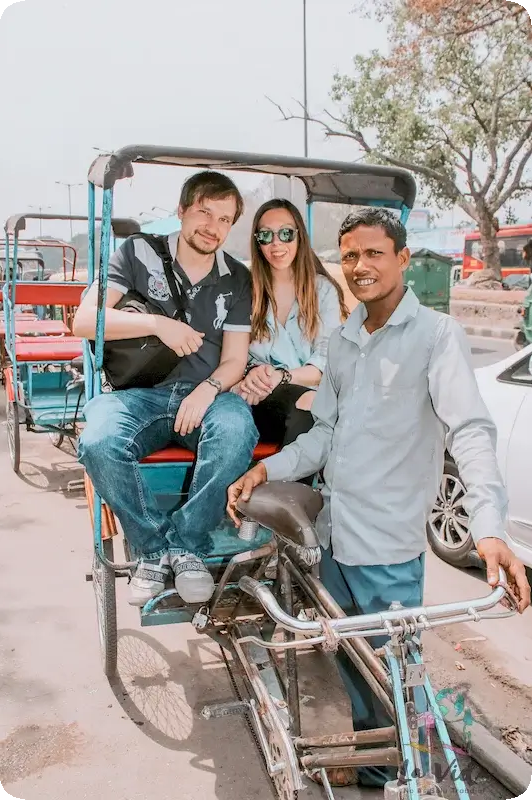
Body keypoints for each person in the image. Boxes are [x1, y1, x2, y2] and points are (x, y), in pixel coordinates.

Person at [227, 207, 531, 789]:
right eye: (350, 257)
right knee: (350, 660)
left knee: (399, 678)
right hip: (335, 536)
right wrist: (266, 471)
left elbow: (469, 431)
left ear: (401, 259)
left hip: (389, 548)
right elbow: (323, 436)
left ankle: (414, 776)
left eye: (373, 253)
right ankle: (374, 764)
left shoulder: (436, 337)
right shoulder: (342, 343)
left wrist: (489, 529)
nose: (361, 266)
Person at [75, 171, 259, 607]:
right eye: (204, 212)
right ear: (182, 211)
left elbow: (235, 359)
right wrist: (158, 324)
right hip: (138, 395)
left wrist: (208, 390)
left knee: (237, 429)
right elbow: (85, 321)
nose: (213, 227)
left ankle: (187, 546)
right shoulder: (138, 252)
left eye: (225, 219)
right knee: (97, 441)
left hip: (206, 397)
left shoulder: (236, 277)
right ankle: (154, 549)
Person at [232, 199, 348, 478]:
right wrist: (252, 376)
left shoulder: (323, 292)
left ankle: (283, 505)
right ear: (257, 242)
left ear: (299, 236)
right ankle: (284, 507)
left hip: (305, 395)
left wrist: (281, 377)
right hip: (255, 397)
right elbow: (234, 352)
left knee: (310, 408)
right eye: (265, 235)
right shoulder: (244, 291)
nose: (276, 244)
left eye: (286, 233)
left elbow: (324, 363)